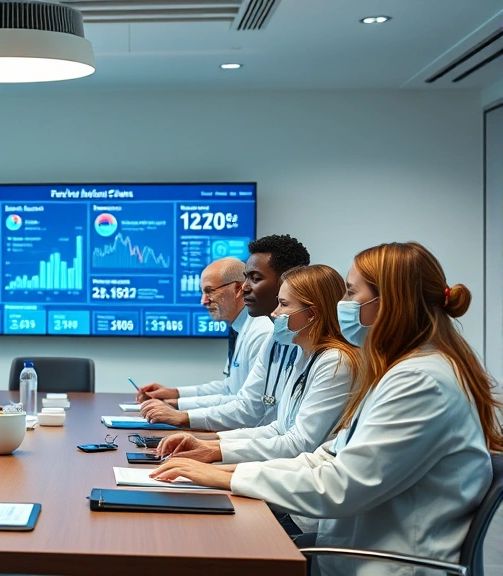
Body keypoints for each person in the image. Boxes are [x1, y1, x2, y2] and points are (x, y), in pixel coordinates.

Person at [151, 242, 503, 576]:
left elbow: (341, 487)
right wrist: (224, 467)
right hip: (352, 549)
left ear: (389, 302)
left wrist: (228, 476)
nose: (344, 302)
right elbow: (329, 456)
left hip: (382, 563)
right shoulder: (404, 370)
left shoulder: (420, 381)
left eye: (351, 292)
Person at [156, 264, 358, 464]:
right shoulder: (304, 355)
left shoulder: (335, 362)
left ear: (311, 314)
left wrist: (215, 450)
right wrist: (209, 443)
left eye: (284, 304)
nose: (274, 313)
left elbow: (298, 443)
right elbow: (279, 428)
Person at [141, 234, 311, 430]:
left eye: (255, 279)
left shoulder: (264, 332)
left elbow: (254, 414)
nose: (246, 287)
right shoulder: (272, 337)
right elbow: (236, 393)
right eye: (247, 277)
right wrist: (176, 399)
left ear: (286, 284)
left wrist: (183, 415)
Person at [136, 257, 273, 410]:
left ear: (238, 289)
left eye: (209, 291)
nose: (204, 301)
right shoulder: (240, 329)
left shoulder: (261, 333)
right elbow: (229, 388)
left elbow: (249, 405)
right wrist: (174, 394)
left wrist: (177, 406)